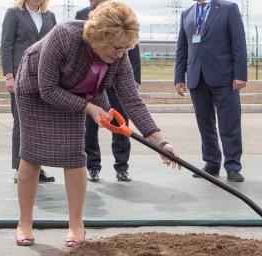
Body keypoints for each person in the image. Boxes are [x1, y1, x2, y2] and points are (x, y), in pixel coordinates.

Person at [12, 1, 178, 247]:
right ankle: (24, 223)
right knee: (32, 154)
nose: (119, 54)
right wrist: (88, 107)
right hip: (36, 91)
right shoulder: (64, 36)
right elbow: (47, 89)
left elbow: (132, 100)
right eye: (115, 47)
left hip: (77, 93)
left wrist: (160, 141)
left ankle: (76, 224)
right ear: (98, 37)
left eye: (124, 48)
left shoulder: (119, 56)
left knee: (75, 155)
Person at [174, 0, 247, 182]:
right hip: (196, 77)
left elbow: (239, 43)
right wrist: (179, 77)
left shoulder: (228, 9)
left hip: (224, 77)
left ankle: (232, 166)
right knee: (205, 123)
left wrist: (240, 74)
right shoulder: (187, 13)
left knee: (229, 124)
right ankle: (211, 163)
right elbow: (182, 48)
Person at [76, 0, 142, 182]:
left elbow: (132, 49)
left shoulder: (122, 14)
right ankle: (93, 166)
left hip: (116, 83)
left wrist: (135, 78)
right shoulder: (81, 15)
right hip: (92, 85)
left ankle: (122, 166)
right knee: (89, 127)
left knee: (121, 125)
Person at [1, 0, 56, 183]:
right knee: (21, 122)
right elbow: (6, 45)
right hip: (20, 74)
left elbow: (56, 46)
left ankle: (37, 169)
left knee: (41, 124)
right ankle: (20, 168)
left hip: (45, 76)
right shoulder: (14, 14)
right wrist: (9, 75)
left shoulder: (49, 17)